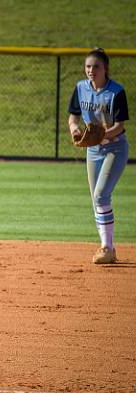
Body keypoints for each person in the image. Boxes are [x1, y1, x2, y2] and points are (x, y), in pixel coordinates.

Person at [68, 48, 129, 264]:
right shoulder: (80, 88)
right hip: (93, 151)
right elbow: (73, 118)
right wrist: (75, 130)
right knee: (96, 199)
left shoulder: (116, 92)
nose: (91, 70)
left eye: (96, 66)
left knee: (101, 195)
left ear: (106, 69)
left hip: (115, 149)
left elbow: (120, 127)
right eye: (88, 66)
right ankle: (106, 245)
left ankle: (107, 248)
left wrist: (101, 136)